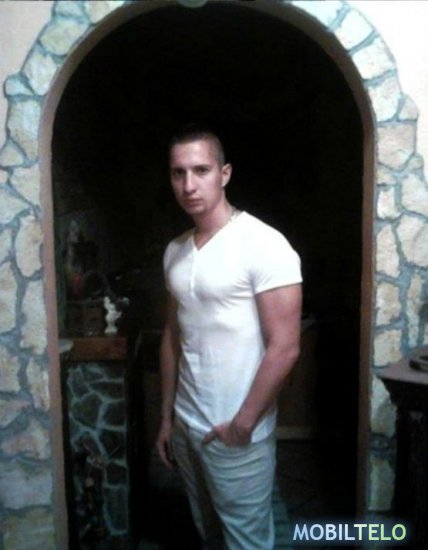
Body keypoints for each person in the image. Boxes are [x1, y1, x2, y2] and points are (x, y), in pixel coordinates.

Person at [156, 124, 302, 549]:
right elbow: (172, 336)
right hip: (186, 425)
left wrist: (243, 424)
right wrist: (167, 419)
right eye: (178, 173)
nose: (189, 185)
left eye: (201, 170)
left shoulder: (264, 244)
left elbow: (286, 347)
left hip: (235, 432)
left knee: (247, 541)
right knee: (209, 534)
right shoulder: (175, 251)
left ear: (225, 173)